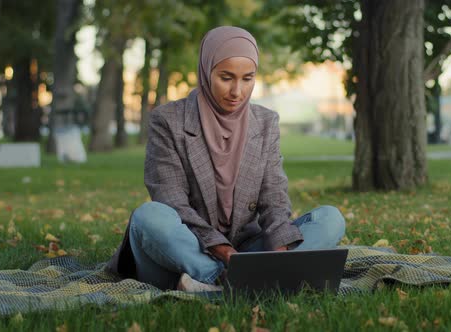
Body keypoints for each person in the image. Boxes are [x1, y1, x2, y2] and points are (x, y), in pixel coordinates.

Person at [106, 26, 346, 292]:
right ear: (206, 71)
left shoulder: (266, 122)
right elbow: (170, 199)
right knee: (147, 216)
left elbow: (274, 199)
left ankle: (245, 281)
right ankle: (231, 281)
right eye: (226, 77)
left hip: (247, 250)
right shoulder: (168, 120)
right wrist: (224, 253)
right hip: (187, 251)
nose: (237, 91)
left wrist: (280, 255)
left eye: (247, 79)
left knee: (330, 218)